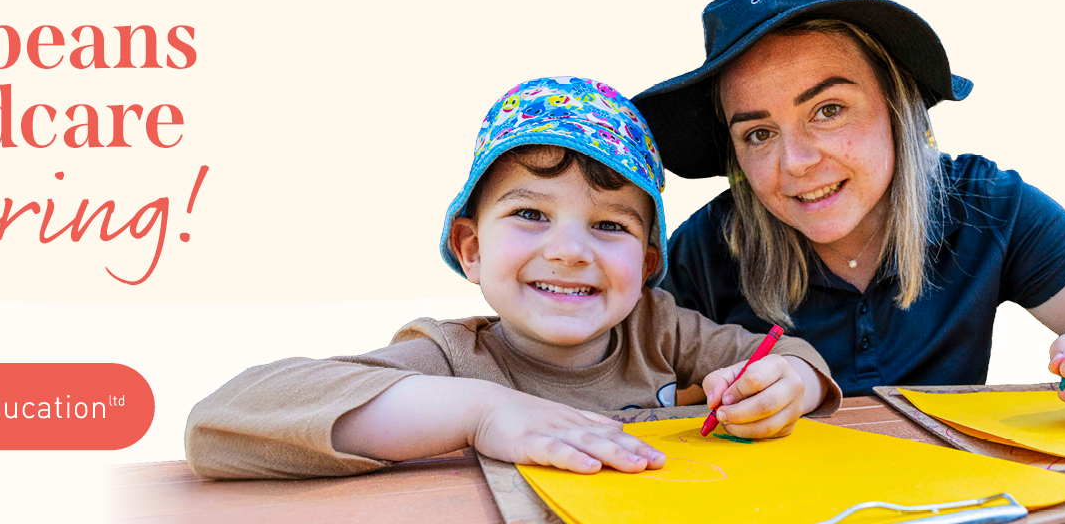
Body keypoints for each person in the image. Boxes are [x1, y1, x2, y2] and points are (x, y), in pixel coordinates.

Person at [635, 0, 1065, 425]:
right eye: (759, 133)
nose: (797, 163)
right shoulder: (708, 249)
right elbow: (612, 385)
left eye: (829, 110)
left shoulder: (988, 206)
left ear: (898, 107)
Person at [184, 77, 841, 479]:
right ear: (469, 247)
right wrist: (478, 413)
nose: (569, 251)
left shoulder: (662, 331)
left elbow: (787, 355)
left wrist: (789, 383)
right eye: (530, 213)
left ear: (646, 267)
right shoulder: (449, 358)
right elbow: (222, 423)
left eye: (609, 226)